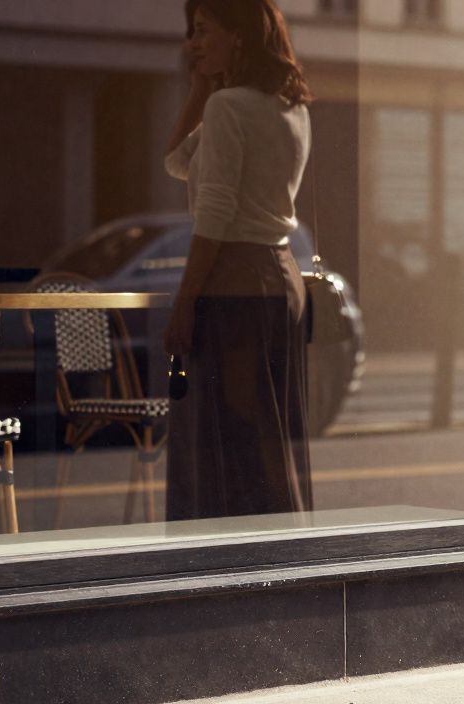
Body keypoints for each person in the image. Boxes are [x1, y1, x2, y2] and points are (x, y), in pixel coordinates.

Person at [162, 0, 313, 520]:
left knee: (233, 444)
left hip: (235, 286)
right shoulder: (289, 107)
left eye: (204, 31)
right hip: (279, 280)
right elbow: (180, 161)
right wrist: (201, 88)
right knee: (268, 441)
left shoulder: (230, 107)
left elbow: (215, 213)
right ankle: (285, 564)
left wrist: (184, 302)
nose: (193, 43)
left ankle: (235, 573)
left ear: (238, 37)